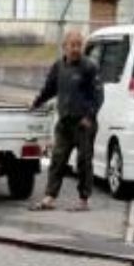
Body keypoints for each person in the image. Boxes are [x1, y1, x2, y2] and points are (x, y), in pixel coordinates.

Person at [28, 29, 104, 211]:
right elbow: (49, 89)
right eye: (73, 45)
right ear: (65, 47)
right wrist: (36, 103)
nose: (76, 49)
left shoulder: (89, 67)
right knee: (58, 159)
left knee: (84, 161)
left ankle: (83, 199)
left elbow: (98, 96)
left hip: (83, 124)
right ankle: (50, 197)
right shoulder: (58, 67)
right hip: (64, 122)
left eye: (79, 45)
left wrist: (89, 116)